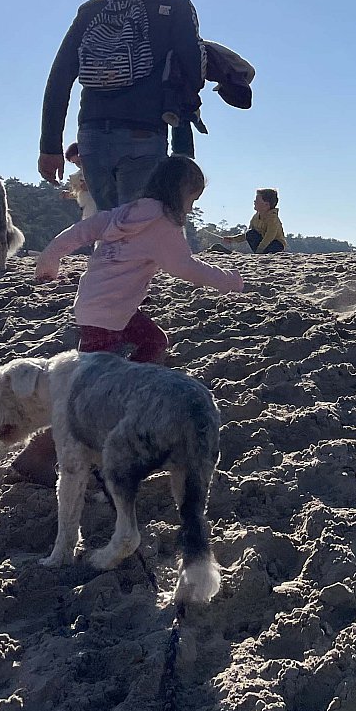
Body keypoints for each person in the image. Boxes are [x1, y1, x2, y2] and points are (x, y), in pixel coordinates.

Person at [17, 155, 247, 483]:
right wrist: (231, 281)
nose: (191, 207)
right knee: (88, 395)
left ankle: (129, 394)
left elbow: (78, 232)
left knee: (154, 341)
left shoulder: (126, 213)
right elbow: (186, 268)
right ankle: (35, 458)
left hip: (105, 307)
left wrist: (48, 261)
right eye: (192, 199)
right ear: (181, 192)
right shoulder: (164, 226)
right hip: (107, 315)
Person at [39, 0, 205, 211]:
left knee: (109, 224)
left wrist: (50, 146)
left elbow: (60, 75)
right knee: (136, 228)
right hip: (144, 132)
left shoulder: (92, 10)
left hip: (92, 134)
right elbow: (193, 69)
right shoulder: (175, 6)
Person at [214, 188, 288, 254]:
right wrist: (233, 239)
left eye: (257, 200)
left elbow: (269, 237)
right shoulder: (255, 217)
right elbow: (247, 235)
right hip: (262, 244)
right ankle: (260, 254)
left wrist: (260, 249)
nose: (254, 201)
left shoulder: (273, 218)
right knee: (251, 233)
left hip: (275, 244)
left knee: (275, 245)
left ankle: (261, 253)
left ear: (266, 204)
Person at [62, 143, 98, 220]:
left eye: (79, 161)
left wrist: (91, 186)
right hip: (88, 211)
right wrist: (69, 195)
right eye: (75, 163)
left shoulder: (101, 170)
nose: (78, 165)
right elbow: (80, 193)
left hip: (103, 210)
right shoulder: (77, 176)